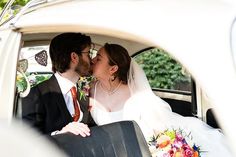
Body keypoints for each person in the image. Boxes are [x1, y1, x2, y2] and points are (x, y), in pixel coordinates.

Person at [90, 43, 233, 157]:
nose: (92, 60)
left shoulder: (137, 95)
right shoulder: (90, 89)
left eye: (98, 58)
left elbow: (156, 131)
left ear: (113, 69)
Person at [22, 33, 95, 137]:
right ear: (74, 57)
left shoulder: (82, 93)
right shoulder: (37, 94)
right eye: (88, 54)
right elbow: (28, 139)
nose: (91, 60)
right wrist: (60, 134)